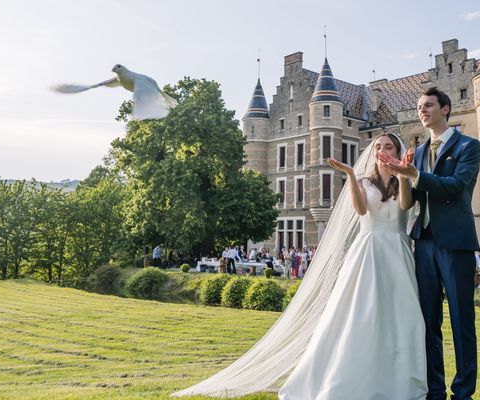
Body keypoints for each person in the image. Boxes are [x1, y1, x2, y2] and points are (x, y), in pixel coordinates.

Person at [173, 134, 428, 399]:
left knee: (400, 316)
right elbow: (361, 210)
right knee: (361, 315)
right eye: (378, 147)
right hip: (368, 253)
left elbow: (405, 206)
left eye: (388, 147)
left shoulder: (405, 180)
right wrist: (351, 176)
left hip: (397, 253)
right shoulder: (364, 182)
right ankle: (350, 378)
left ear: (397, 151)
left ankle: (399, 382)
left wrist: (402, 175)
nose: (382, 151)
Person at [382, 87, 480, 400]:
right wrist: (402, 178)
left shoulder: (469, 146)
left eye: (428, 105)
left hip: (455, 243)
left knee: (461, 320)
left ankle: (463, 392)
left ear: (446, 109)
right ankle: (434, 390)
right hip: (423, 243)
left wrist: (416, 175)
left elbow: (456, 187)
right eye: (419, 107)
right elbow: (415, 199)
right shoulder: (420, 151)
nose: (422, 111)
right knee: (427, 321)